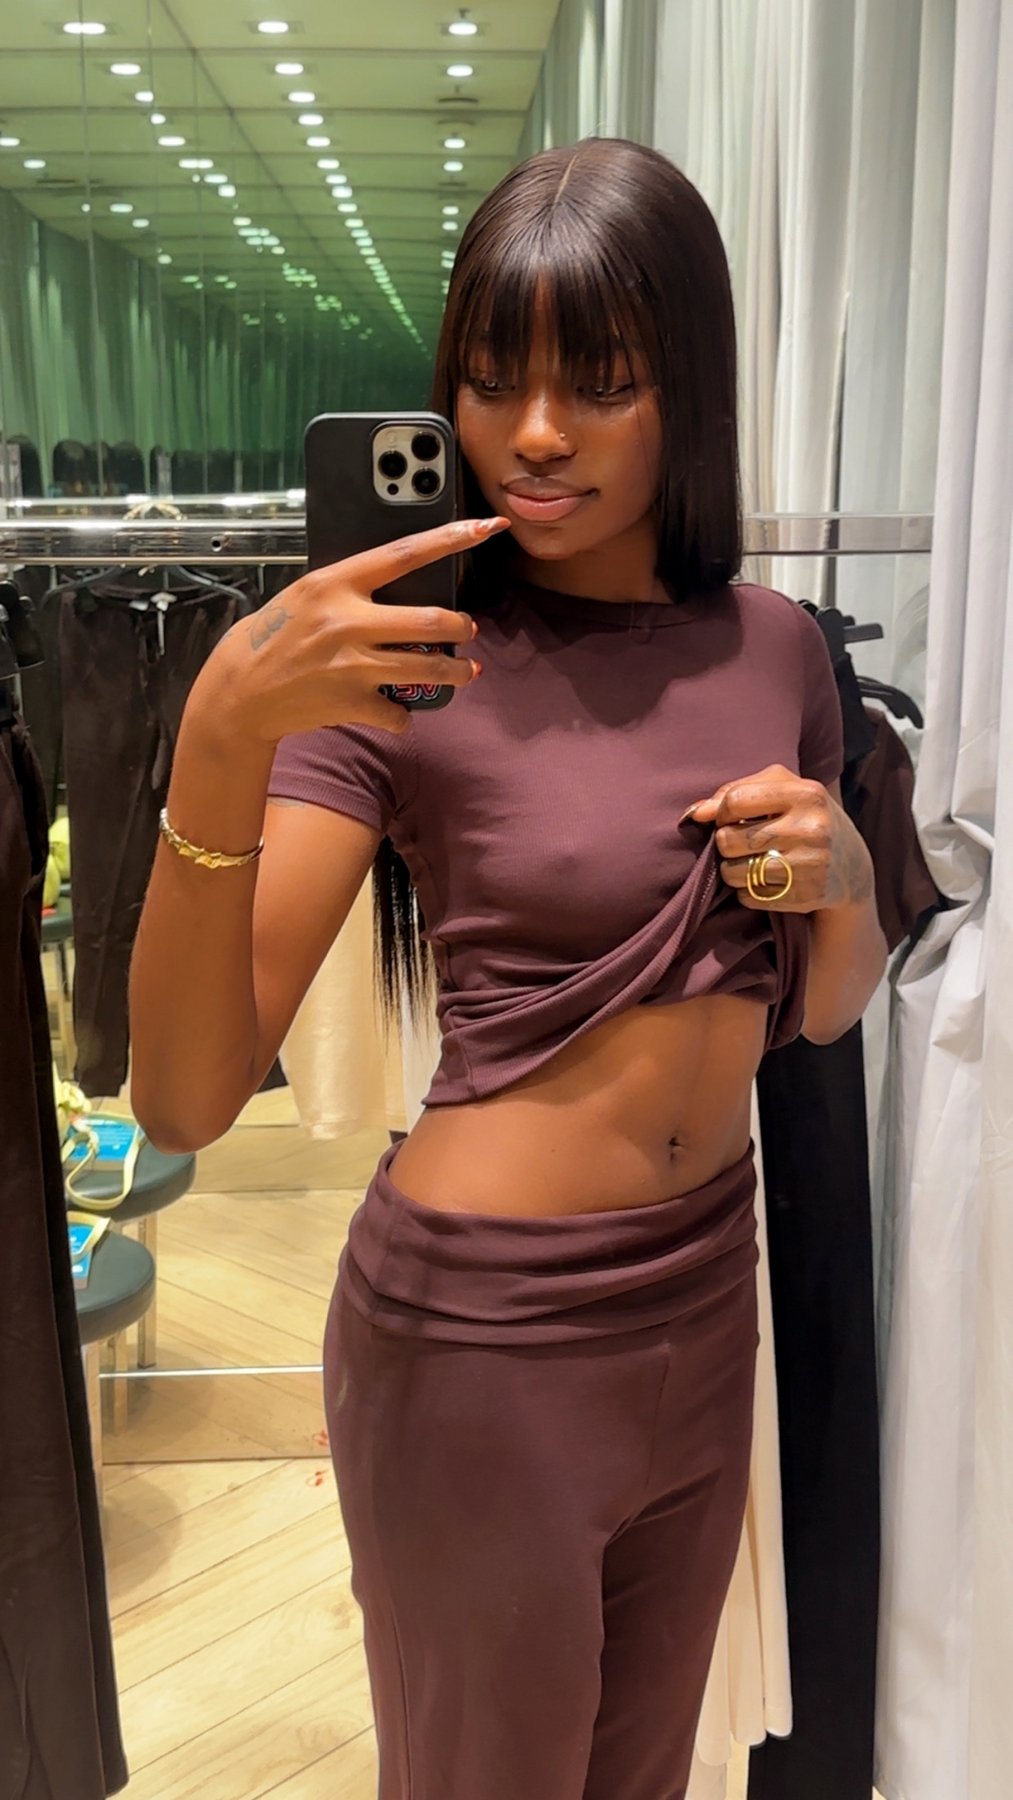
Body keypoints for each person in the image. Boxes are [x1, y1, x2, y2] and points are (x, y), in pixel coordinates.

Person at [129, 138, 887, 1800]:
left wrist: (841, 878)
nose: (534, 435)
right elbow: (184, 1100)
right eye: (491, 382)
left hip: (707, 1293)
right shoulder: (406, 671)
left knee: (645, 1778)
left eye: (597, 384)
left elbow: (819, 1011)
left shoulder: (775, 648)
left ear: (686, 389)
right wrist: (220, 735)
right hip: (484, 1340)